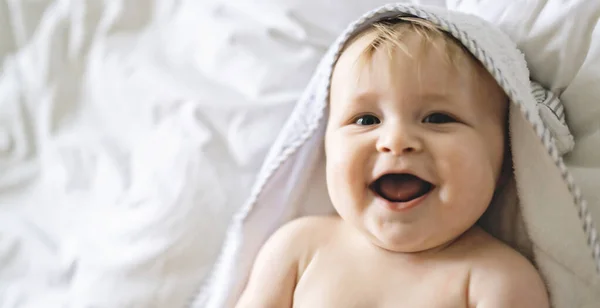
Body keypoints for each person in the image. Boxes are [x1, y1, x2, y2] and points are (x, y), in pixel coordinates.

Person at [235, 16, 549, 307]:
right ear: (325, 146)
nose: (396, 140)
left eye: (437, 118)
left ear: (505, 158)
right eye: (366, 119)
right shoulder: (299, 249)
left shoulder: (497, 281)